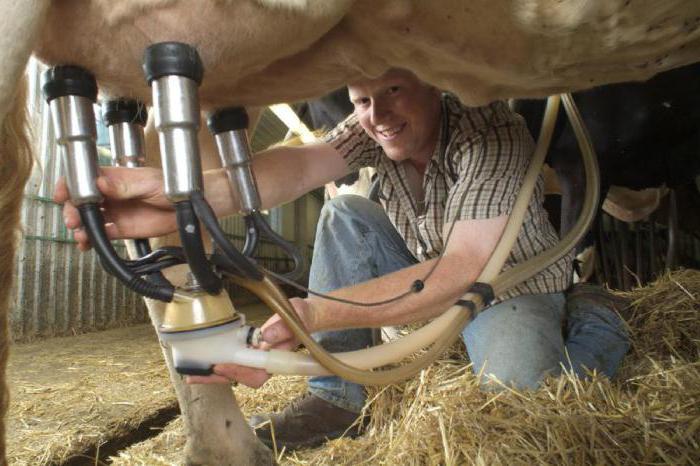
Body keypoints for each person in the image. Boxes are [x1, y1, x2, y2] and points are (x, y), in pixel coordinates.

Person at [55, 69, 630, 450]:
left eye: (394, 93)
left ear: (433, 85)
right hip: (432, 263)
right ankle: (336, 400)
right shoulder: (371, 124)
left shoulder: (491, 130)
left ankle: (597, 314)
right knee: (345, 212)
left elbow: (464, 269)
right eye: (362, 101)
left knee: (523, 402)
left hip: (506, 280)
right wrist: (179, 194)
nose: (376, 114)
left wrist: (314, 313)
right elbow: (301, 167)